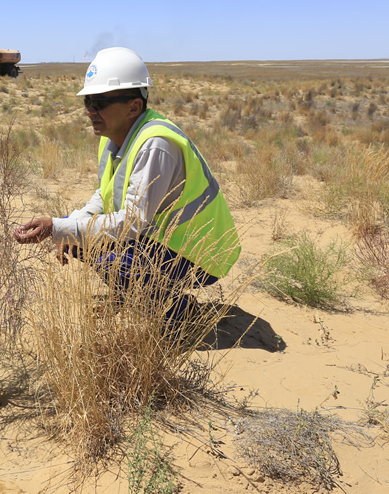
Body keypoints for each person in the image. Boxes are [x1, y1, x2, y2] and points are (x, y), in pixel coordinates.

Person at [13, 47, 240, 319]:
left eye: (100, 102)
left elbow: (132, 223)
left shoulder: (156, 145)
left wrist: (61, 228)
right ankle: (133, 294)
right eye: (87, 102)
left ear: (134, 106)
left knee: (104, 253)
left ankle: (180, 312)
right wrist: (65, 227)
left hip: (202, 255)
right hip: (163, 243)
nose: (90, 111)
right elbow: (104, 195)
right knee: (75, 233)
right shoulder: (114, 137)